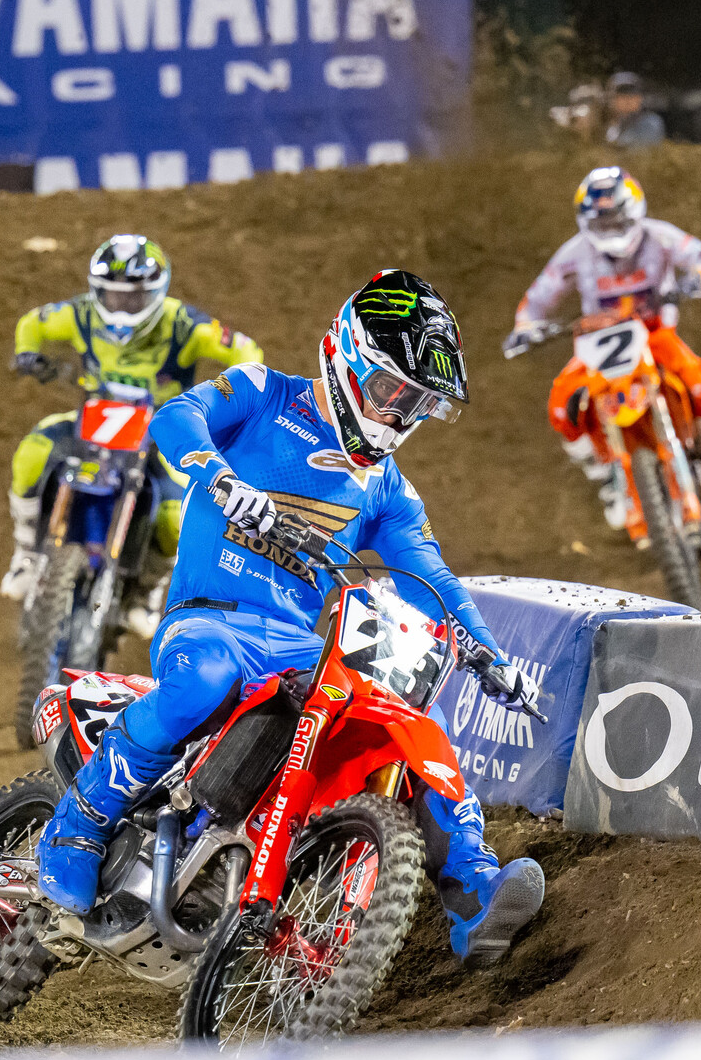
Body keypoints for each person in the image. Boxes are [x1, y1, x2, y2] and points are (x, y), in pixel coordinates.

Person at [33, 269, 546, 969]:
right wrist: (216, 477)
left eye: (417, 404)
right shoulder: (262, 393)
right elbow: (174, 416)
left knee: (409, 728)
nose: (398, 416)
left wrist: (489, 655)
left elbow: (433, 578)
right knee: (202, 679)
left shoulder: (388, 490)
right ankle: (79, 825)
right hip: (211, 619)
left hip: (297, 651)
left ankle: (476, 896)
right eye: (393, 391)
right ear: (346, 357)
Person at [2, 235, 261, 629]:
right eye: (111, 295)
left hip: (162, 430)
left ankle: (147, 591)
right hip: (95, 418)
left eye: (132, 298)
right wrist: (28, 354)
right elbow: (31, 324)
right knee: (31, 453)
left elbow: (246, 352)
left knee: (178, 513)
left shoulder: (183, 324)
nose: (120, 305)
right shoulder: (80, 313)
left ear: (155, 292)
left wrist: (233, 396)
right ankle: (24, 554)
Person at [510, 166, 701, 521]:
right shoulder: (574, 253)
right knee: (562, 404)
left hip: (654, 333)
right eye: (602, 223)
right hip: (598, 343)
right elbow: (538, 297)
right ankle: (604, 474)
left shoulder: (660, 236)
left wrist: (695, 279)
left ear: (635, 212)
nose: (611, 230)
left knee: (695, 376)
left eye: (617, 220)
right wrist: (526, 327)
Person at [601, 70, 666, 150]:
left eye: (632, 96)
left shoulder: (651, 122)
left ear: (640, 99)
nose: (628, 101)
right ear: (612, 100)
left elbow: (638, 151)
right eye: (622, 96)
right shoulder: (612, 127)